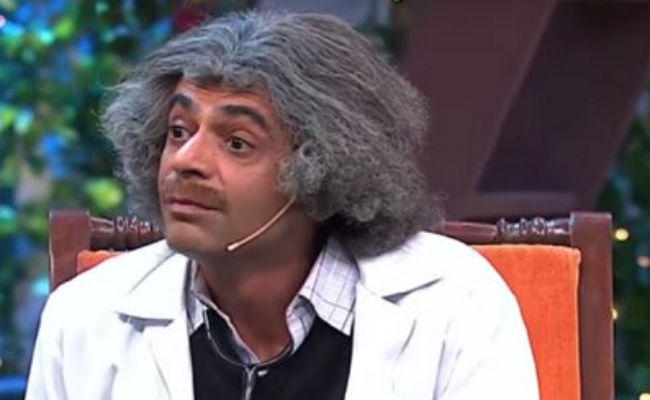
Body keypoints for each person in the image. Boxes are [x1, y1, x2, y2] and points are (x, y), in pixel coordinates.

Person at [25, 11, 539, 400]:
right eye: (179, 131)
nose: (185, 161)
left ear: (323, 167)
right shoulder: (85, 317)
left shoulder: (455, 304)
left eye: (237, 142)